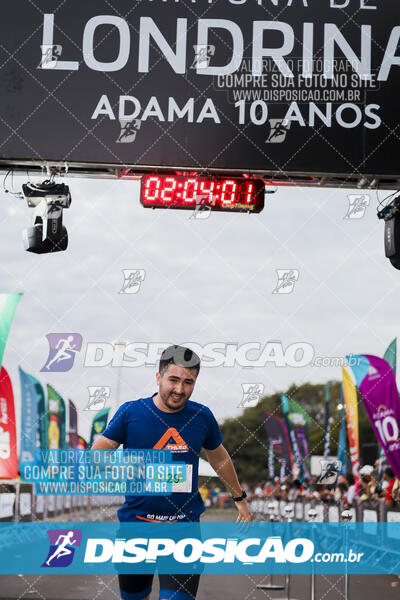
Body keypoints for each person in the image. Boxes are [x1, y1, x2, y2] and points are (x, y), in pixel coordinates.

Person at [92, 344, 252, 600]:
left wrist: (239, 498)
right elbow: (99, 453)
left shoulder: (201, 416)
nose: (180, 389)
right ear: (158, 377)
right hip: (136, 528)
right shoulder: (131, 412)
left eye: (188, 382)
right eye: (173, 380)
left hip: (183, 530)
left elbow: (219, 456)